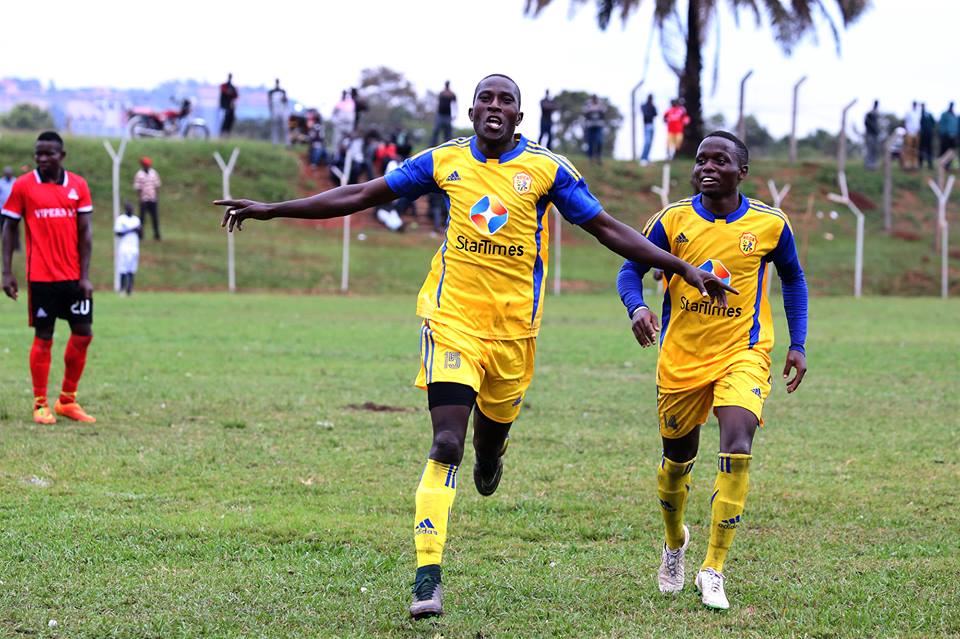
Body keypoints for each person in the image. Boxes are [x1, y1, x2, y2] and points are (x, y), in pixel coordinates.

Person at [215, 73, 734, 621]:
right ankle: (427, 580)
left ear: (519, 116)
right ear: (470, 111)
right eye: (485, 98)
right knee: (446, 444)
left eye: (504, 100)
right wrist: (274, 208)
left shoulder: (547, 169)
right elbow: (363, 193)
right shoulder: (444, 161)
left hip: (513, 335)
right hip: (451, 321)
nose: (494, 106)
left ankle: (492, 458)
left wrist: (679, 268)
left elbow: (605, 228)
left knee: (486, 452)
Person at [617, 131, 808, 611]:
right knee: (676, 465)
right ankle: (675, 542)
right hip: (681, 359)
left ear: (741, 172)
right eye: (701, 159)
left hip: (743, 353)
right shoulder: (673, 219)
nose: (706, 167)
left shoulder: (769, 224)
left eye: (719, 160)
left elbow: (794, 278)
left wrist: (798, 343)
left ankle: (713, 568)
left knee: (738, 443)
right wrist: (637, 306)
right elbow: (629, 270)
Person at [1, 131, 98, 425]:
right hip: (41, 278)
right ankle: (40, 403)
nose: (43, 159)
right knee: (44, 338)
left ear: (62, 156)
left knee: (83, 335)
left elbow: (86, 234)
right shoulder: (23, 186)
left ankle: (67, 400)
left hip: (73, 279)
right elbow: (9, 229)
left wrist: (85, 276)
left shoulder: (78, 186)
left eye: (49, 154)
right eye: (38, 154)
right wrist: (6, 272)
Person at [114, 202, 141, 295]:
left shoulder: (136, 219)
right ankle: (122, 289)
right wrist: (131, 230)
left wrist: (139, 230)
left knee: (132, 268)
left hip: (134, 246)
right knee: (123, 268)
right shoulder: (121, 219)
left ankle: (130, 289)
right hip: (124, 247)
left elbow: (140, 233)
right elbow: (118, 233)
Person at [133, 157, 162, 241]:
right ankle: (140, 235)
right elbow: (138, 187)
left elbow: (157, 185)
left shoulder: (153, 173)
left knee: (155, 218)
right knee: (142, 219)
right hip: (144, 199)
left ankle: (157, 235)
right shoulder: (139, 174)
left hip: (152, 199)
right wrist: (140, 198)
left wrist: (156, 196)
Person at [430, 81, 457, 145]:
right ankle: (433, 145)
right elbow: (437, 102)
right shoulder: (441, 93)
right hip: (440, 114)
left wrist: (455, 114)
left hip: (447, 115)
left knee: (447, 132)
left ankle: (447, 145)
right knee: (436, 130)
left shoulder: (452, 94)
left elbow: (455, 104)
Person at [583, 94, 606, 164]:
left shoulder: (600, 104)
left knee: (599, 141)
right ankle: (590, 158)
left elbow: (603, 114)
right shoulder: (588, 104)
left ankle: (598, 157)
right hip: (590, 126)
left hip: (598, 126)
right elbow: (585, 114)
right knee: (590, 142)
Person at [0, 166, 19, 251]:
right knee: (3, 227)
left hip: (14, 209)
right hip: (2, 209)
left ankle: (17, 246)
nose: (8, 175)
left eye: (9, 173)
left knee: (15, 228)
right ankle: (5, 245)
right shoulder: (1, 182)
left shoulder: (16, 181)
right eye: (6, 173)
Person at [268, 78, 288, 146]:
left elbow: (286, 101)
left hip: (282, 110)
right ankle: (275, 142)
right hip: (275, 110)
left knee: (285, 127)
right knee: (275, 127)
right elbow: (269, 102)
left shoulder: (283, 91)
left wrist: (283, 99)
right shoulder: (271, 92)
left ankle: (288, 142)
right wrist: (271, 110)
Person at [902, 101, 920, 170]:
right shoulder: (908, 112)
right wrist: (906, 131)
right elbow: (905, 122)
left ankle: (914, 164)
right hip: (909, 132)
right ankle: (907, 164)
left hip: (916, 133)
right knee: (908, 149)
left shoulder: (918, 113)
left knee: (915, 150)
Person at [219, 73, 239, 138]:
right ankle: (222, 135)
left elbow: (236, 95)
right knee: (224, 122)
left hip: (231, 108)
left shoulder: (232, 87)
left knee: (230, 122)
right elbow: (226, 92)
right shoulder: (224, 85)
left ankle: (227, 135)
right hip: (224, 107)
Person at [939, 102, 957, 169]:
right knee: (944, 151)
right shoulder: (944, 114)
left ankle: (948, 165)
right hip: (945, 136)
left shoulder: (954, 115)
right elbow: (941, 125)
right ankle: (943, 165)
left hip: (953, 137)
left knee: (951, 152)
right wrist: (942, 134)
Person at [863, 100, 881, 170]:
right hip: (870, 134)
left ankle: (873, 164)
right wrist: (872, 128)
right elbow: (866, 122)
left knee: (874, 150)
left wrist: (877, 130)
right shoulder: (870, 113)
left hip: (875, 135)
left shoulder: (877, 113)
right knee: (869, 149)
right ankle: (868, 165)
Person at [640, 94, 658, 165]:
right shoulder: (644, 106)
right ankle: (643, 158)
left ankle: (646, 158)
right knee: (647, 142)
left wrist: (651, 109)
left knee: (650, 143)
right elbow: (646, 114)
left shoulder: (652, 106)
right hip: (646, 125)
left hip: (652, 125)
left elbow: (656, 114)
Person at [919, 104, 936, 170]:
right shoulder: (919, 114)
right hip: (921, 135)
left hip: (928, 134)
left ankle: (930, 164)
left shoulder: (928, 114)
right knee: (921, 149)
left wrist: (930, 130)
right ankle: (920, 164)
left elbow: (933, 122)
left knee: (929, 149)